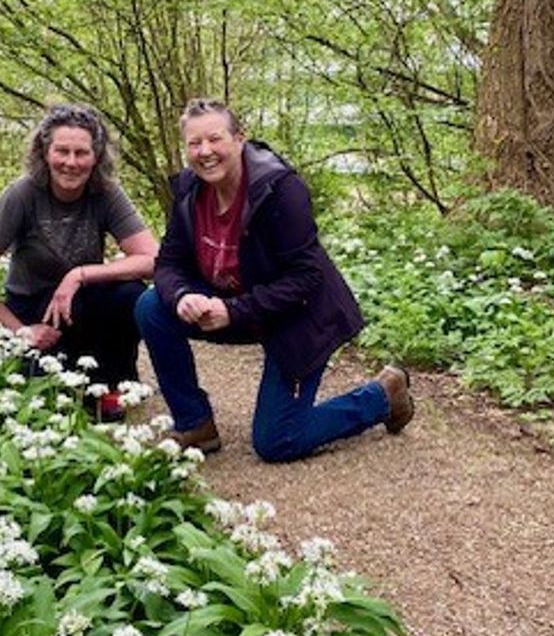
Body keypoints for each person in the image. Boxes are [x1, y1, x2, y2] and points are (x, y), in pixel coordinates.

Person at [135, 98, 414, 461]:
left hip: (297, 317)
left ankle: (383, 395)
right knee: (152, 306)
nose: (205, 152)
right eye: (194, 143)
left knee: (278, 441)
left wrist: (234, 311)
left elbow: (307, 277)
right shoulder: (190, 190)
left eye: (215, 139)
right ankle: (195, 423)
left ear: (240, 139)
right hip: (242, 308)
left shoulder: (279, 189)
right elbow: (169, 261)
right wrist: (183, 295)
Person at [0, 104, 158, 414]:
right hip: (34, 311)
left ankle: (116, 382)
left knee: (131, 295)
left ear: (97, 157)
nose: (71, 163)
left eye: (82, 153)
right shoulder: (22, 194)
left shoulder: (106, 193)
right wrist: (20, 331)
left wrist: (78, 274)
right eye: (62, 151)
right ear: (45, 152)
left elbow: (152, 260)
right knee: (43, 402)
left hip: (84, 303)